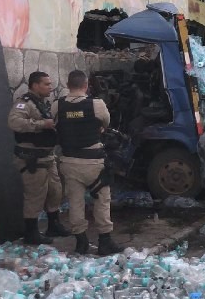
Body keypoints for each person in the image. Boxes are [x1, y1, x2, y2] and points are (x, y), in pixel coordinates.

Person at [51, 70, 123, 255]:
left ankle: (81, 243)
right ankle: (104, 242)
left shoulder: (57, 106)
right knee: (102, 201)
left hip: (68, 162)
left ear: (68, 85)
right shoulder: (96, 104)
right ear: (86, 86)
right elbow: (105, 122)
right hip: (93, 163)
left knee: (75, 203)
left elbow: (54, 124)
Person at [8, 71, 71, 245]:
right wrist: (41, 124)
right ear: (35, 85)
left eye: (50, 84)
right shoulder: (24, 103)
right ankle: (31, 232)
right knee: (35, 195)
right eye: (46, 84)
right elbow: (14, 122)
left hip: (47, 157)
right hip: (32, 159)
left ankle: (53, 224)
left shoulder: (43, 103)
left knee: (55, 191)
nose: (50, 87)